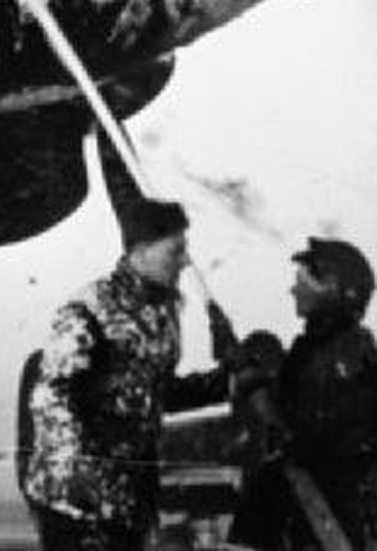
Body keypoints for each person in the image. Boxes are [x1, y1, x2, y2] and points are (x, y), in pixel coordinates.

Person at [20, 197, 229, 551]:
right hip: (77, 502)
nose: (184, 261)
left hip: (128, 499)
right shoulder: (91, 307)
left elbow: (151, 393)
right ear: (142, 249)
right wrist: (85, 472)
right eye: (175, 251)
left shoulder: (162, 313)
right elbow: (51, 394)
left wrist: (221, 384)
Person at [228, 237, 377, 551]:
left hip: (325, 527)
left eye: (302, 281)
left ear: (332, 288)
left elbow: (307, 441)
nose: (293, 290)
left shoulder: (344, 358)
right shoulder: (319, 350)